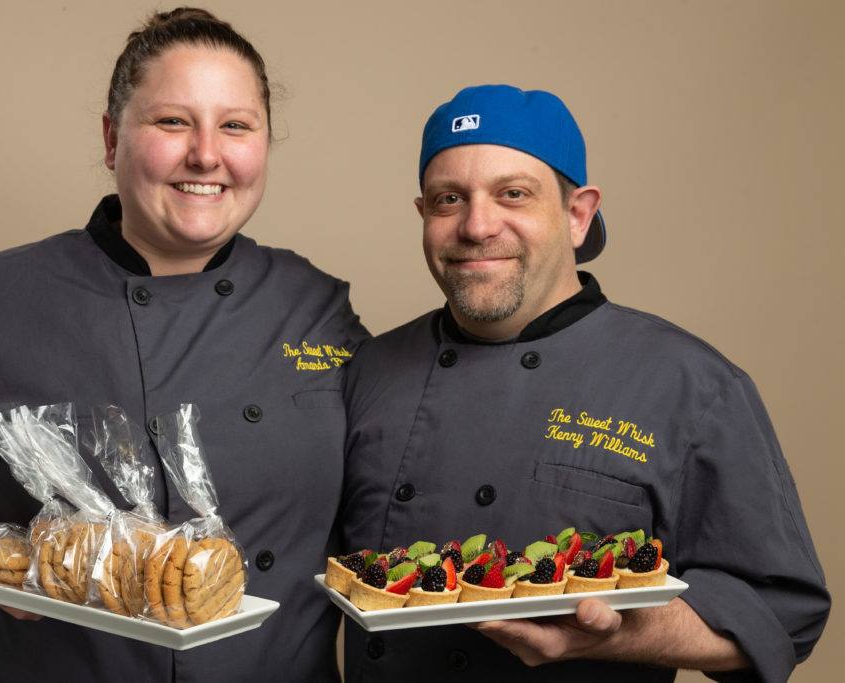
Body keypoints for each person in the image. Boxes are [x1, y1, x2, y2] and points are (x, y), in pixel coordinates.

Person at [0, 8, 366, 681]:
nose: (206, 154)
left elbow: (394, 480)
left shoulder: (316, 305)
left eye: (236, 125)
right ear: (111, 138)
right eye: (172, 121)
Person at [338, 84, 830, 681]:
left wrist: (627, 636)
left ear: (578, 214)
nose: (477, 225)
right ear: (424, 215)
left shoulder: (693, 385)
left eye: (513, 193)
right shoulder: (368, 371)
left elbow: (781, 612)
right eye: (449, 199)